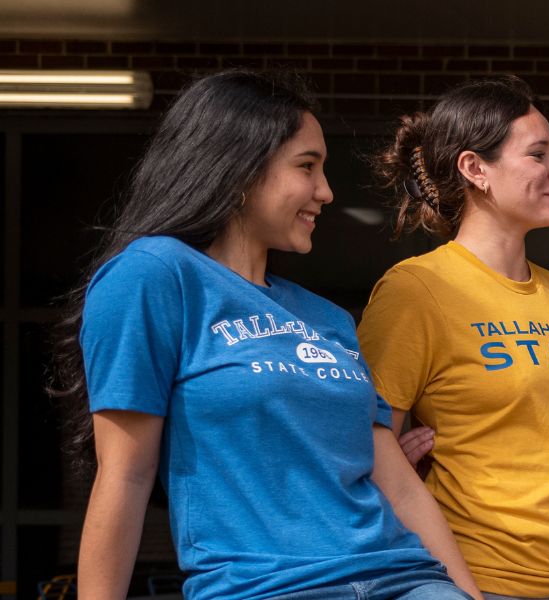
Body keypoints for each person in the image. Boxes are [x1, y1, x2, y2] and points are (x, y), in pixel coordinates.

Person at [54, 70, 479, 599]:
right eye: (307, 167)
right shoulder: (154, 276)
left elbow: (398, 486)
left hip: (406, 579)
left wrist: (465, 596)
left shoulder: (328, 319)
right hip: (268, 587)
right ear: (238, 169)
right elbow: (124, 477)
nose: (325, 192)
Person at [360, 76, 549, 600]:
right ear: (475, 169)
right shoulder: (417, 290)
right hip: (474, 579)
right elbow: (366, 453)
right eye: (539, 155)